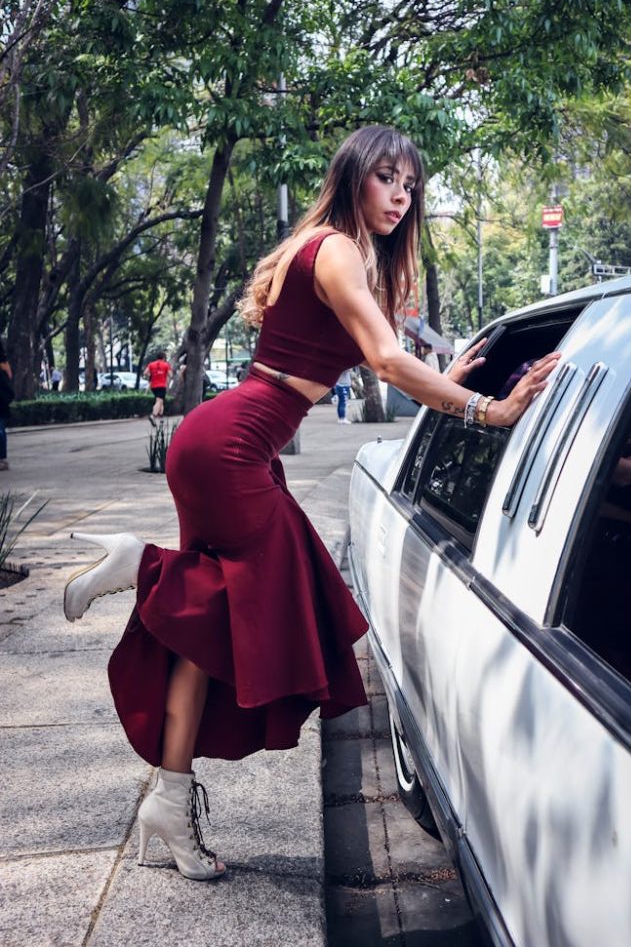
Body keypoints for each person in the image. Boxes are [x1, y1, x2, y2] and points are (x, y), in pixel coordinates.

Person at [62, 125, 558, 882]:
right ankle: (147, 565)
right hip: (232, 449)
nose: (401, 195)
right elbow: (386, 361)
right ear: (353, 175)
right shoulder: (335, 250)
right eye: (387, 178)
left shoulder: (330, 253)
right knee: (266, 598)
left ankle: (168, 799)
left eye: (411, 185)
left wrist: (447, 376)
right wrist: (488, 412)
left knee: (211, 630)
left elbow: (382, 354)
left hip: (225, 444)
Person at [144, 352, 173, 422]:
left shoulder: (151, 364)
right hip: (162, 385)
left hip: (153, 386)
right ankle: (153, 415)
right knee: (159, 401)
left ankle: (161, 416)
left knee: (161, 401)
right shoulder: (166, 365)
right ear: (164, 358)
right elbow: (170, 375)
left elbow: (145, 373)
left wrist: (152, 376)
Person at [0, 339, 13, 471]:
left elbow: (9, 379)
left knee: (0, 431)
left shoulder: (3, 365)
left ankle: (2, 459)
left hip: (1, 403)